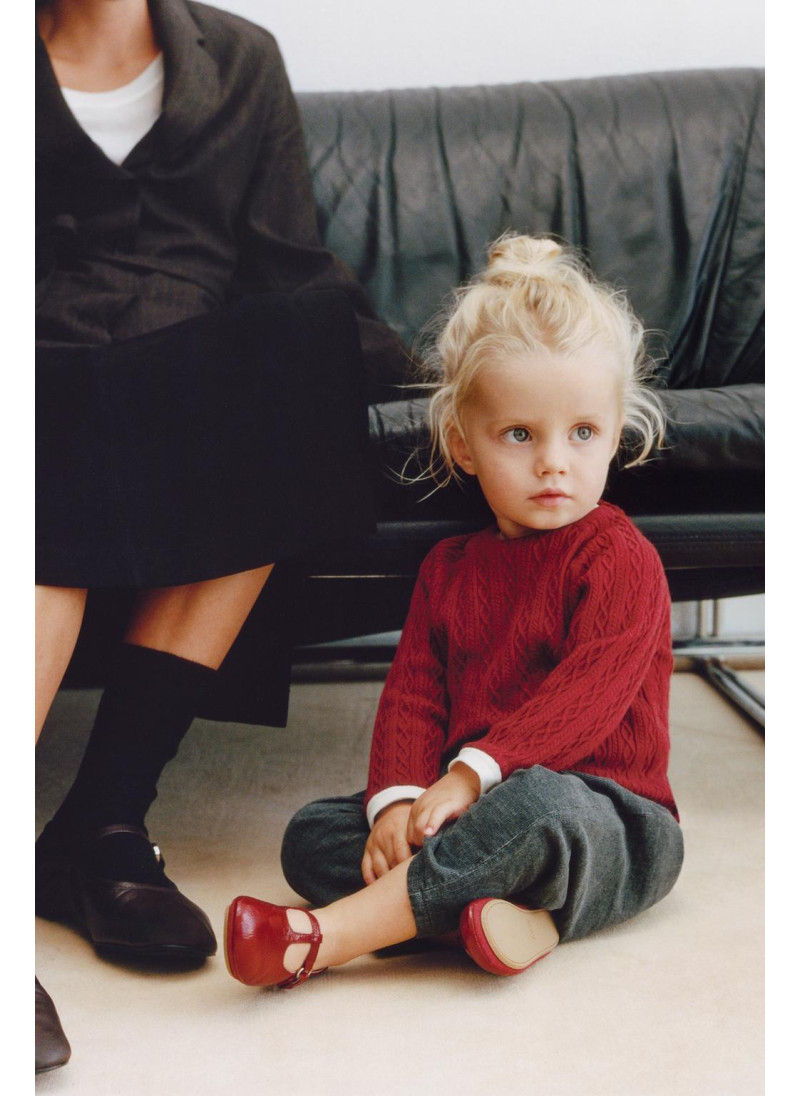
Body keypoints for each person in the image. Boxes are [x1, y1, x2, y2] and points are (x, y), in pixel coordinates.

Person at [34, 0, 408, 1072]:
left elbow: (289, 260)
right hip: (37, 371)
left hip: (184, 382)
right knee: (52, 444)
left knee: (297, 350)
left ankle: (102, 824)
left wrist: (424, 382)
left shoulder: (242, 58)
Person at [223, 234, 685, 989]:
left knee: (536, 809)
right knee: (313, 836)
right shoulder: (447, 570)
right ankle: (497, 916)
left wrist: (472, 777)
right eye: (519, 435)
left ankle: (325, 937)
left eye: (583, 433)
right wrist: (396, 805)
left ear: (614, 435)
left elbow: (585, 700)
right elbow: (414, 695)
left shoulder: (619, 557)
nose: (554, 462)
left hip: (607, 816)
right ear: (463, 445)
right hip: (467, 809)